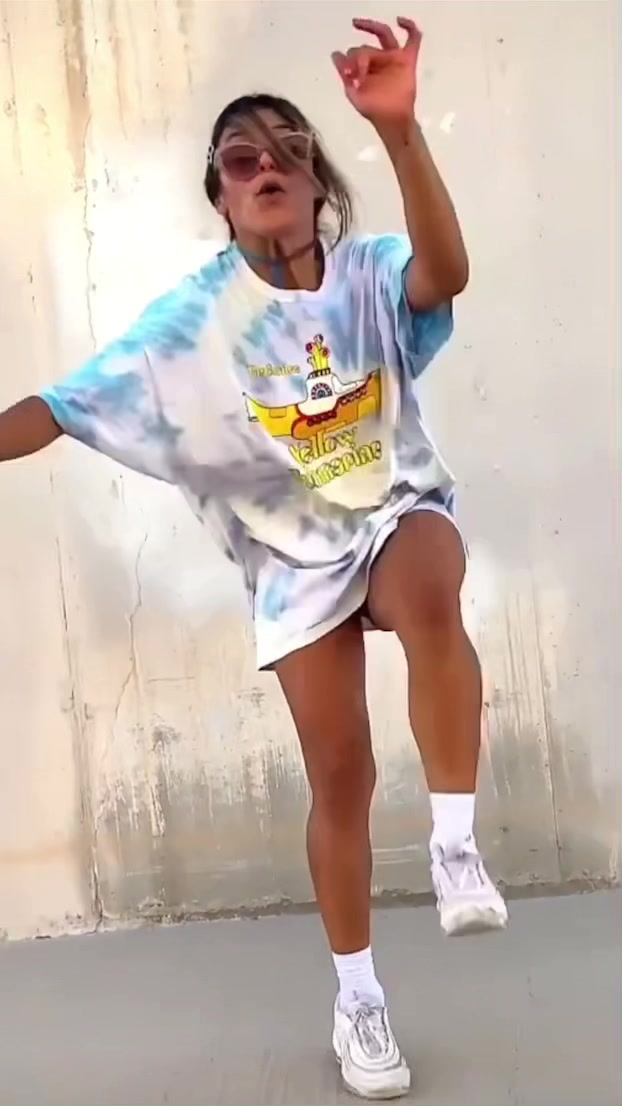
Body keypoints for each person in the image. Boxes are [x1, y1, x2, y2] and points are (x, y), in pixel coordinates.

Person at [0, 16, 508, 1099]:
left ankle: (456, 845)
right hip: (291, 559)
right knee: (341, 772)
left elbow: (447, 271)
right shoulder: (193, 320)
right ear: (222, 199)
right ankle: (358, 997)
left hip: (390, 510)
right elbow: (61, 405)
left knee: (430, 571)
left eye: (288, 150)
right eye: (243, 158)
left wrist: (401, 130)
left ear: (318, 183)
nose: (267, 165)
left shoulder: (368, 270)